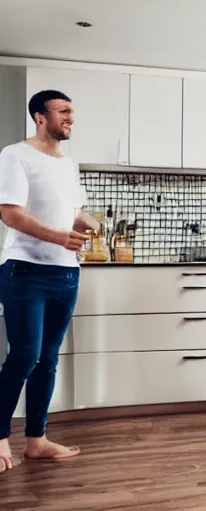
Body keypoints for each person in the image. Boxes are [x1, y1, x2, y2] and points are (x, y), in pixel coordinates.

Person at [0, 90, 91, 473]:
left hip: (66, 272)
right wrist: (58, 237)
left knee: (48, 360)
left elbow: (74, 212)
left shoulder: (68, 163)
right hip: (26, 270)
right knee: (24, 355)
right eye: (63, 111)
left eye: (72, 110)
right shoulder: (15, 155)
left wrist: (89, 223)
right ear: (40, 116)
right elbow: (10, 213)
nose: (70, 117)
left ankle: (36, 441)